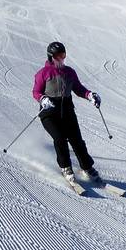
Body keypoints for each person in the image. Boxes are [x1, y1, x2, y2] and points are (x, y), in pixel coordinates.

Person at [32, 41, 102, 184]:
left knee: (76, 140)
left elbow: (78, 88)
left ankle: (87, 167)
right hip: (49, 112)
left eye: (63, 55)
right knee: (60, 139)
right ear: (51, 56)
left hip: (67, 110)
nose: (61, 59)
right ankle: (65, 167)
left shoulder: (69, 72)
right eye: (58, 56)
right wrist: (43, 99)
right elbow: (36, 92)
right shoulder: (43, 73)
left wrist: (90, 95)